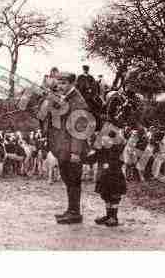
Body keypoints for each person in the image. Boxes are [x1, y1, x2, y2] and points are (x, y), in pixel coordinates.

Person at [48, 72, 89, 224]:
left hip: (72, 149)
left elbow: (80, 128)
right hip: (64, 147)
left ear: (73, 84)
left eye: (64, 83)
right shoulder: (66, 98)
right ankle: (71, 210)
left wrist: (76, 152)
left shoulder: (78, 102)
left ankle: (75, 213)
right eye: (59, 83)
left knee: (73, 179)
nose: (60, 86)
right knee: (68, 179)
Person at [87, 131, 127, 227]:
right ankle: (108, 216)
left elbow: (121, 161)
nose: (103, 141)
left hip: (115, 176)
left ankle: (114, 217)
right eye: (102, 139)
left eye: (106, 139)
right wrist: (86, 156)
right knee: (106, 196)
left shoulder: (117, 149)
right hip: (104, 177)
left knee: (114, 196)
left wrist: (110, 165)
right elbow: (92, 159)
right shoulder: (100, 150)